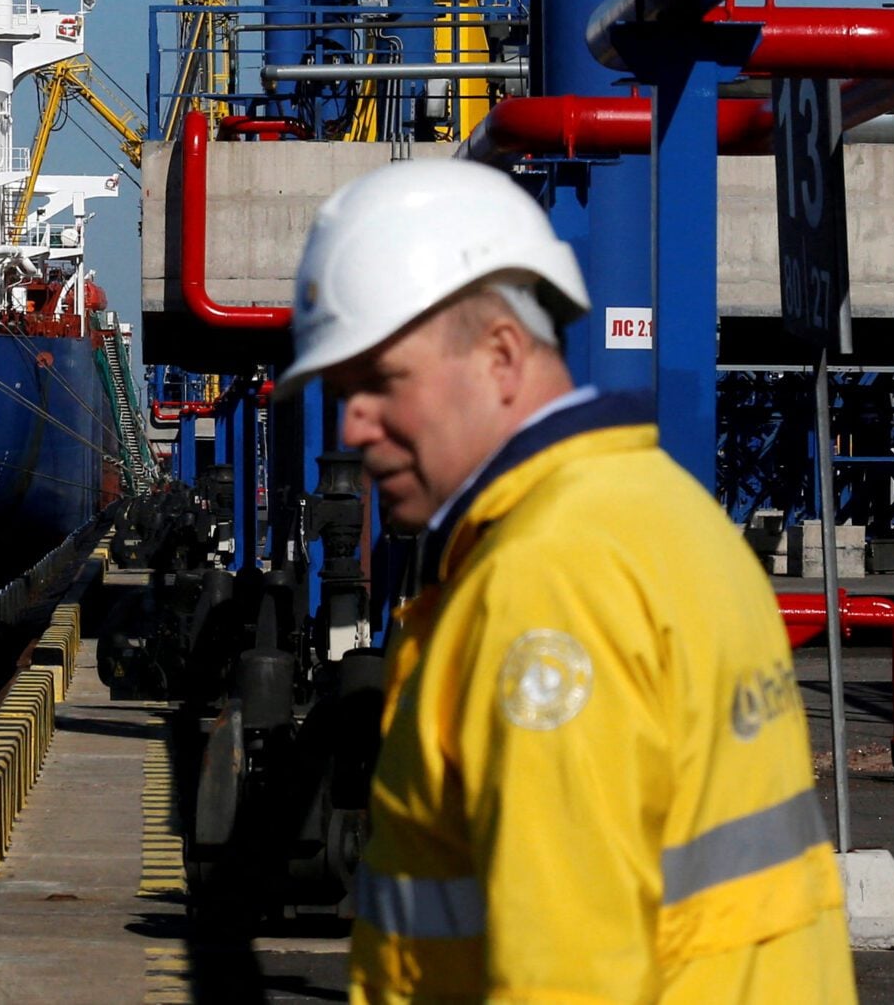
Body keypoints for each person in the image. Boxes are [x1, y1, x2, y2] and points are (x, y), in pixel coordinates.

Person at [275, 158, 855, 1003]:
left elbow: (569, 973)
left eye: (380, 381)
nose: (354, 423)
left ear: (501, 354)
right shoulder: (662, 510)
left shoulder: (545, 580)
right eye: (342, 390)